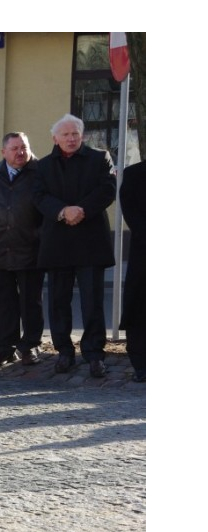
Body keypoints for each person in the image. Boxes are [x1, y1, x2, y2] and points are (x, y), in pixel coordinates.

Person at [34, 114, 116, 378]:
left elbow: (107, 190)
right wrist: (62, 211)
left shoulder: (99, 158)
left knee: (92, 303)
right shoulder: (43, 166)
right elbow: (38, 196)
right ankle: (64, 352)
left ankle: (94, 355)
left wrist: (80, 210)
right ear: (54, 138)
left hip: (90, 240)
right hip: (57, 241)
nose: (71, 139)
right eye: (65, 135)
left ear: (82, 136)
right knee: (59, 301)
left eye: (75, 134)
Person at [0, 132, 45, 369]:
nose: (20, 152)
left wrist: (42, 239)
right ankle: (4, 348)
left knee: (30, 300)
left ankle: (30, 346)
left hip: (31, 248)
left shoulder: (40, 172)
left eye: (23, 147)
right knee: (3, 301)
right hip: (0, 248)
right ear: (3, 152)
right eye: (14, 148)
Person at [119, 160, 145, 382]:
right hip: (145, 251)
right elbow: (131, 212)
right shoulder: (134, 174)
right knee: (140, 306)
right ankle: (142, 363)